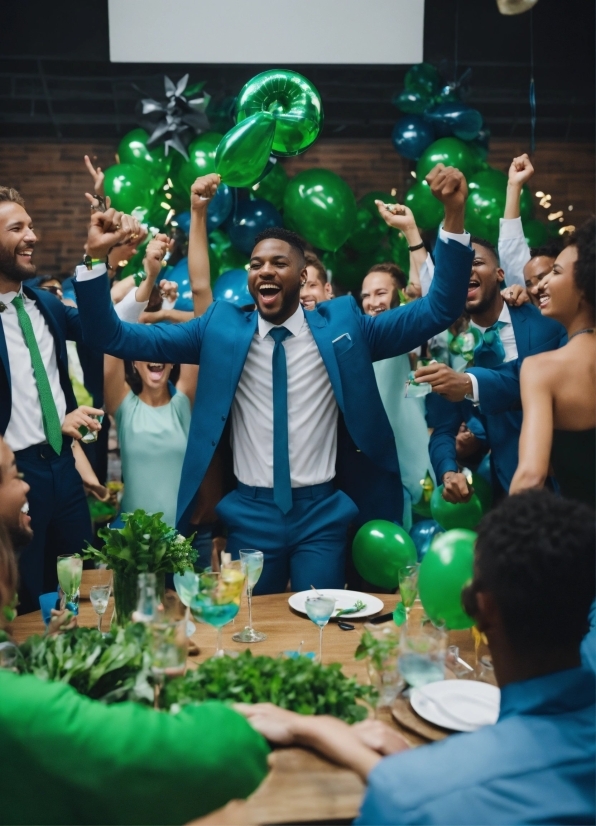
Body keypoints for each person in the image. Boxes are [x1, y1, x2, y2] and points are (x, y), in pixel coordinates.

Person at [74, 165, 474, 594]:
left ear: (303, 277)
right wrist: (95, 260)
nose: (264, 270)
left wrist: (453, 213)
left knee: (319, 623)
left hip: (321, 513)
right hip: (250, 513)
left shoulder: (346, 328)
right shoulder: (221, 331)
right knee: (250, 631)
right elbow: (110, 335)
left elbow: (439, 308)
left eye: (278, 263)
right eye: (256, 263)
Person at [233, 489, 595, 826]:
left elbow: (414, 797)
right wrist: (324, 734)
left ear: (481, 608)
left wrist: (310, 728)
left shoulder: (406, 800)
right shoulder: (411, 790)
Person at [0, 438, 270, 825]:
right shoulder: (23, 711)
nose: (26, 485)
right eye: (13, 475)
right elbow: (221, 758)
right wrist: (164, 670)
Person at [0, 186, 150, 612]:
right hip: (13, 477)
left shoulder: (45, 304)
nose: (33, 236)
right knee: (23, 596)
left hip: (63, 470)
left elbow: (103, 331)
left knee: (81, 587)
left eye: (31, 226)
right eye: (17, 228)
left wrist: (93, 260)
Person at [416, 236, 565, 502]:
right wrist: (449, 473)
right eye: (455, 269)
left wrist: (468, 384)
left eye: (476, 262)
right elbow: (444, 428)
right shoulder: (448, 352)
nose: (465, 272)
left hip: (569, 484)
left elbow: (529, 382)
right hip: (510, 495)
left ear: (500, 274)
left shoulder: (546, 324)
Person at [103, 235, 199, 536]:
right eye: (146, 350)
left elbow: (203, 321)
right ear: (132, 362)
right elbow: (108, 328)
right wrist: (148, 274)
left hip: (179, 539)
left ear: (174, 362)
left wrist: (167, 313)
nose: (155, 356)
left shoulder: (184, 402)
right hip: (130, 541)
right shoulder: (123, 405)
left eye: (162, 351)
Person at [510, 218, 595, 504]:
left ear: (584, 286)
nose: (539, 287)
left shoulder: (542, 370)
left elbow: (532, 477)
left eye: (554, 272)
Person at [360, 264, 434, 529]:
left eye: (380, 293)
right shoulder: (361, 339)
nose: (372, 302)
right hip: (378, 470)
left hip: (413, 466)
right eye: (366, 296)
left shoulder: (405, 333)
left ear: (400, 295)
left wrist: (411, 233)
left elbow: (420, 298)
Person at [499, 153, 561, 305]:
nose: (535, 289)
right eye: (528, 284)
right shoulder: (534, 319)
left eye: (543, 277)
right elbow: (511, 252)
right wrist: (514, 185)